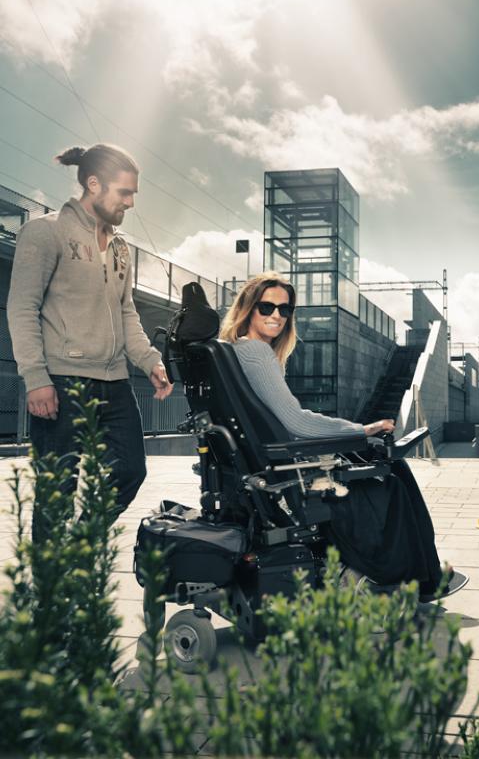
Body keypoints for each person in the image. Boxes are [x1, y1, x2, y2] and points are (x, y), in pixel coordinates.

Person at [219, 271, 448, 597]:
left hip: (274, 457)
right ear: (247, 308)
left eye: (284, 310)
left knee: (382, 457)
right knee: (391, 467)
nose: (276, 316)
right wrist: (360, 430)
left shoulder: (238, 350)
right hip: (288, 463)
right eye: (266, 307)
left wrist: (355, 432)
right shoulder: (256, 354)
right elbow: (295, 422)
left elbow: (289, 419)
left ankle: (423, 575)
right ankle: (419, 576)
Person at [8, 143, 173, 540]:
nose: (130, 202)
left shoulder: (119, 249)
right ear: (94, 184)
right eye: (124, 192)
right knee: (58, 492)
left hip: (114, 382)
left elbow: (126, 312)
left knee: (132, 470)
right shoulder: (46, 233)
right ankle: (49, 589)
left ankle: (80, 545)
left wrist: (149, 359)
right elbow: (21, 309)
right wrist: (36, 378)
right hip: (63, 382)